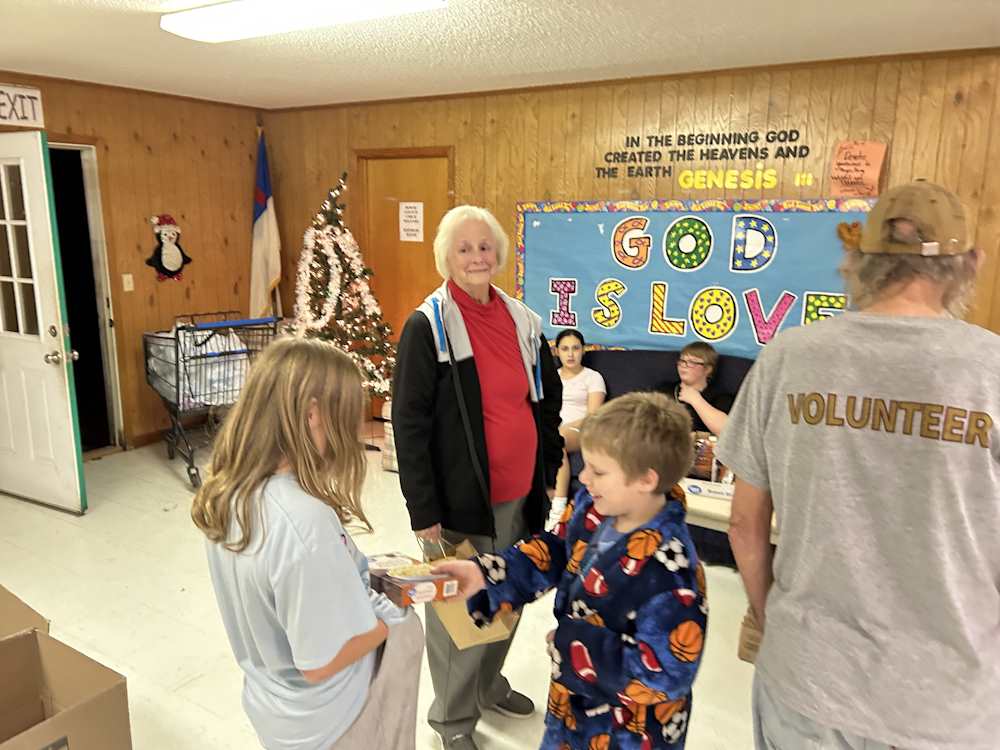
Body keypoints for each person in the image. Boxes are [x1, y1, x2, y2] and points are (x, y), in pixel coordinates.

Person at [718, 180, 1000, 750]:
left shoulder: (787, 358)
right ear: (971, 262)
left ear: (857, 260)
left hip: (808, 677)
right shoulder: (992, 369)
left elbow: (745, 525)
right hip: (950, 701)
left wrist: (770, 616)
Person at [437, 392, 707, 749]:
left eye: (598, 471)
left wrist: (574, 644)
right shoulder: (593, 508)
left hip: (629, 733)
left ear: (645, 479)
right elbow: (556, 550)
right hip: (573, 710)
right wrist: (487, 574)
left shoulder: (673, 572)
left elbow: (667, 672)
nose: (584, 477)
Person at [192, 337, 424, 750]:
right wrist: (394, 621)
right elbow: (321, 661)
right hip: (335, 718)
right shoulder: (303, 520)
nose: (354, 428)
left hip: (277, 708)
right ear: (314, 414)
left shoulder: (229, 495)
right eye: (349, 414)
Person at [391, 205, 564, 750]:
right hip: (462, 502)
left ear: (499, 254)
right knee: (461, 617)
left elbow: (547, 406)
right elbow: (409, 424)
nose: (476, 257)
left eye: (484, 246)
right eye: (464, 248)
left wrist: (551, 469)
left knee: (508, 599)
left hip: (521, 496)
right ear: (446, 256)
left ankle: (488, 686)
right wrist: (424, 513)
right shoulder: (429, 326)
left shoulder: (524, 321)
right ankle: (452, 720)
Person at [549, 328, 606, 527]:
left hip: (583, 429)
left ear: (583, 350)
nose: (571, 354)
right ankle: (545, 503)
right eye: (565, 349)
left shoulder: (593, 377)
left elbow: (593, 416)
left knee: (555, 440)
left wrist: (560, 428)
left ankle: (558, 509)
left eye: (575, 348)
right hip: (554, 427)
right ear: (557, 352)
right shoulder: (552, 376)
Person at [658, 341, 732, 435]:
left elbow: (726, 432)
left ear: (708, 369)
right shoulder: (664, 390)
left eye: (692, 362)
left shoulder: (721, 397)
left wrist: (696, 400)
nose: (684, 366)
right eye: (682, 361)